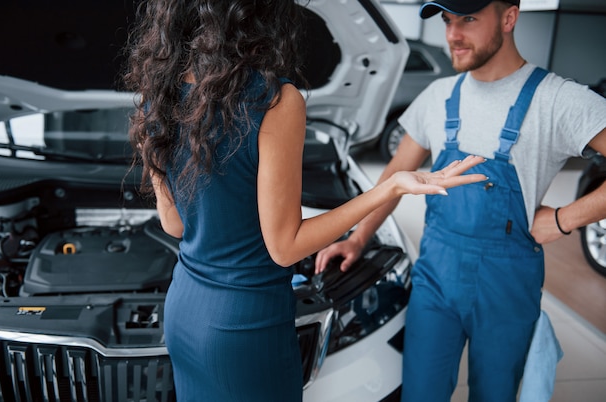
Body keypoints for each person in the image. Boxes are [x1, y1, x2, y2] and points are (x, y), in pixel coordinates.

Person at [122, 1, 487, 401]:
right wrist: (389, 188)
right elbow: (285, 248)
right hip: (244, 323)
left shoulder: (160, 92)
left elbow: (174, 224)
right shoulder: (274, 100)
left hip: (184, 309)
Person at [315, 0, 606, 401]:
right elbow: (394, 178)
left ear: (509, 17)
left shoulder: (556, 99)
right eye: (448, 20)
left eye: (468, 18)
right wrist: (359, 237)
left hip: (507, 287)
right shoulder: (438, 96)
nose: (452, 34)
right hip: (436, 280)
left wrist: (563, 219)